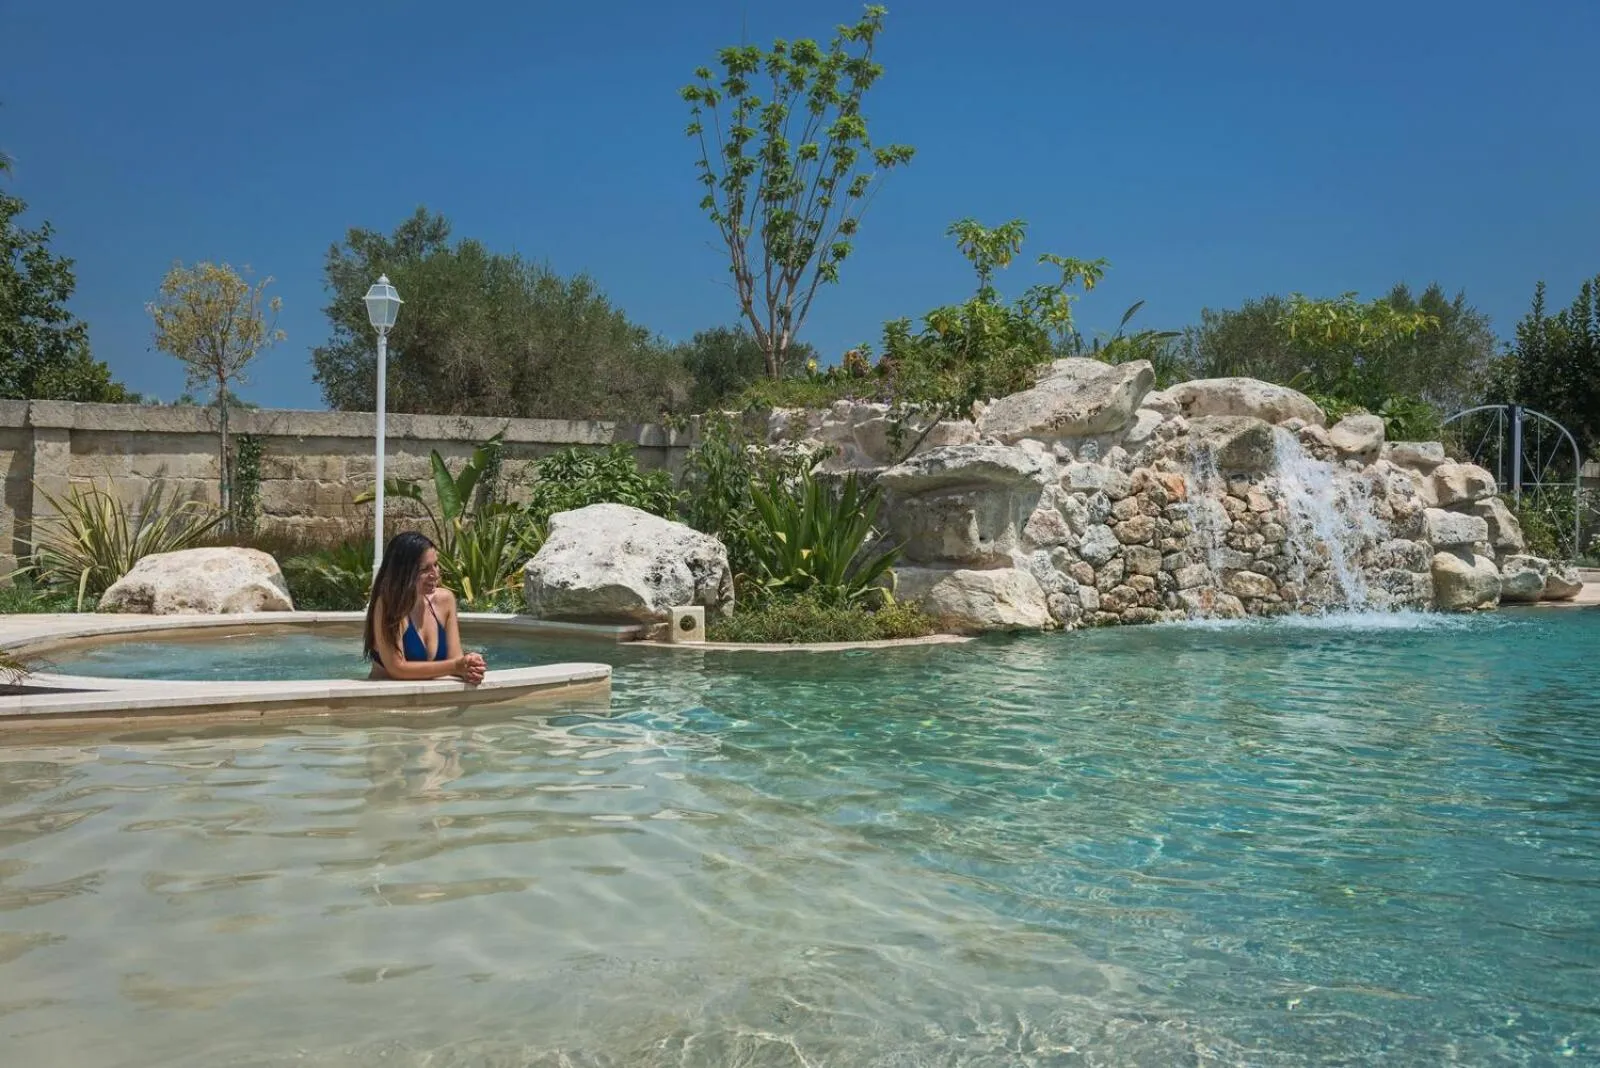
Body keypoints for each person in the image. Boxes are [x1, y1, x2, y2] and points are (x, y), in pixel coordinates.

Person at [363, 531, 487, 684]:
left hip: (432, 703)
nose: (435, 574)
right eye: (425, 569)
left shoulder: (445, 601)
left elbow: (455, 658)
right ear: (404, 573)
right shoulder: (389, 605)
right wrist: (456, 666)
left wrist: (470, 665)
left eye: (436, 565)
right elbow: (397, 668)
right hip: (389, 704)